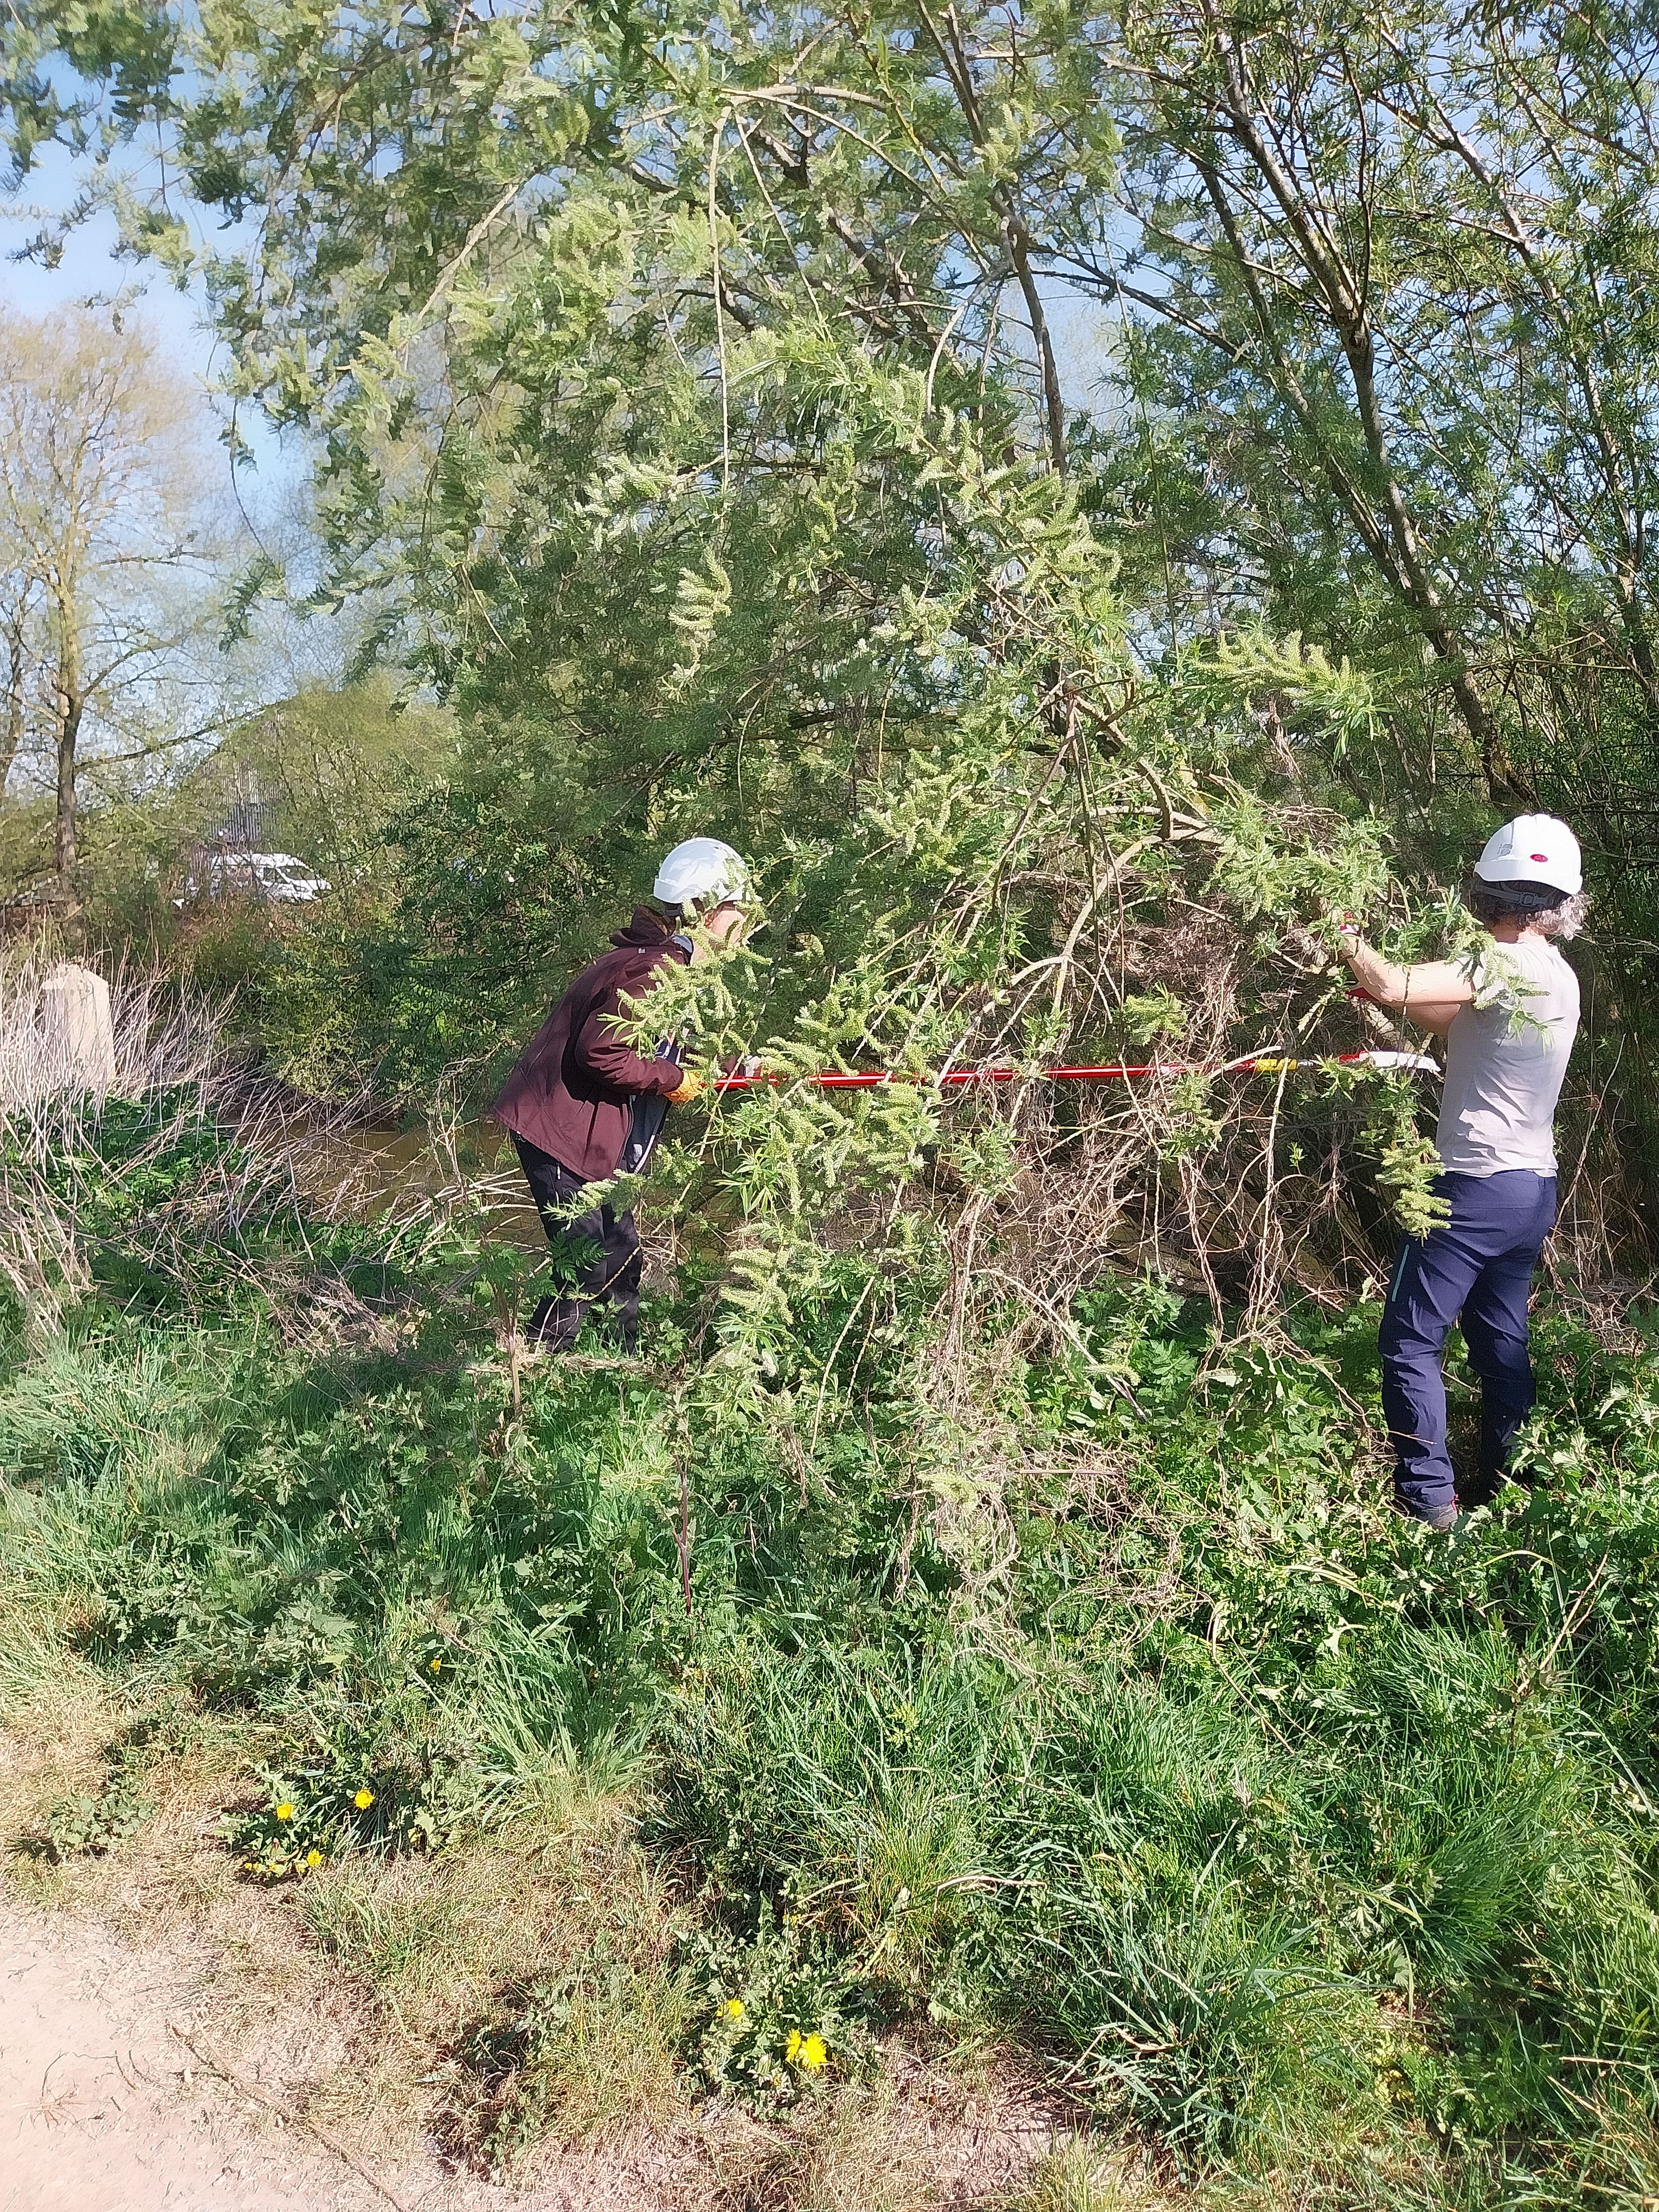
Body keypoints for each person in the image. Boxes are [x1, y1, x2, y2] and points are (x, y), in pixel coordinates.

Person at [1335, 815, 1586, 1530]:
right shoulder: (1554, 976)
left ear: (1486, 891)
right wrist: (1395, 994)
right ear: (1559, 900)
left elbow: (1390, 983)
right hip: (1530, 1191)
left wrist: (1339, 925)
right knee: (1499, 1339)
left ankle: (1430, 1508)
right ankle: (1511, 1486)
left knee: (1410, 1342)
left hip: (1471, 1189)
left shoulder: (1497, 961)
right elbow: (1463, 1023)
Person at [492, 837, 751, 1353]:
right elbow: (602, 1053)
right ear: (707, 911)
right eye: (737, 912)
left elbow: (663, 1048)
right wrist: (675, 1082)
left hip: (591, 1143)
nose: (744, 927)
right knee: (586, 1263)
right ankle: (536, 1367)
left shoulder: (664, 964)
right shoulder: (655, 968)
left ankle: (621, 1363)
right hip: (561, 1135)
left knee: (622, 1259)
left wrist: (734, 1069)